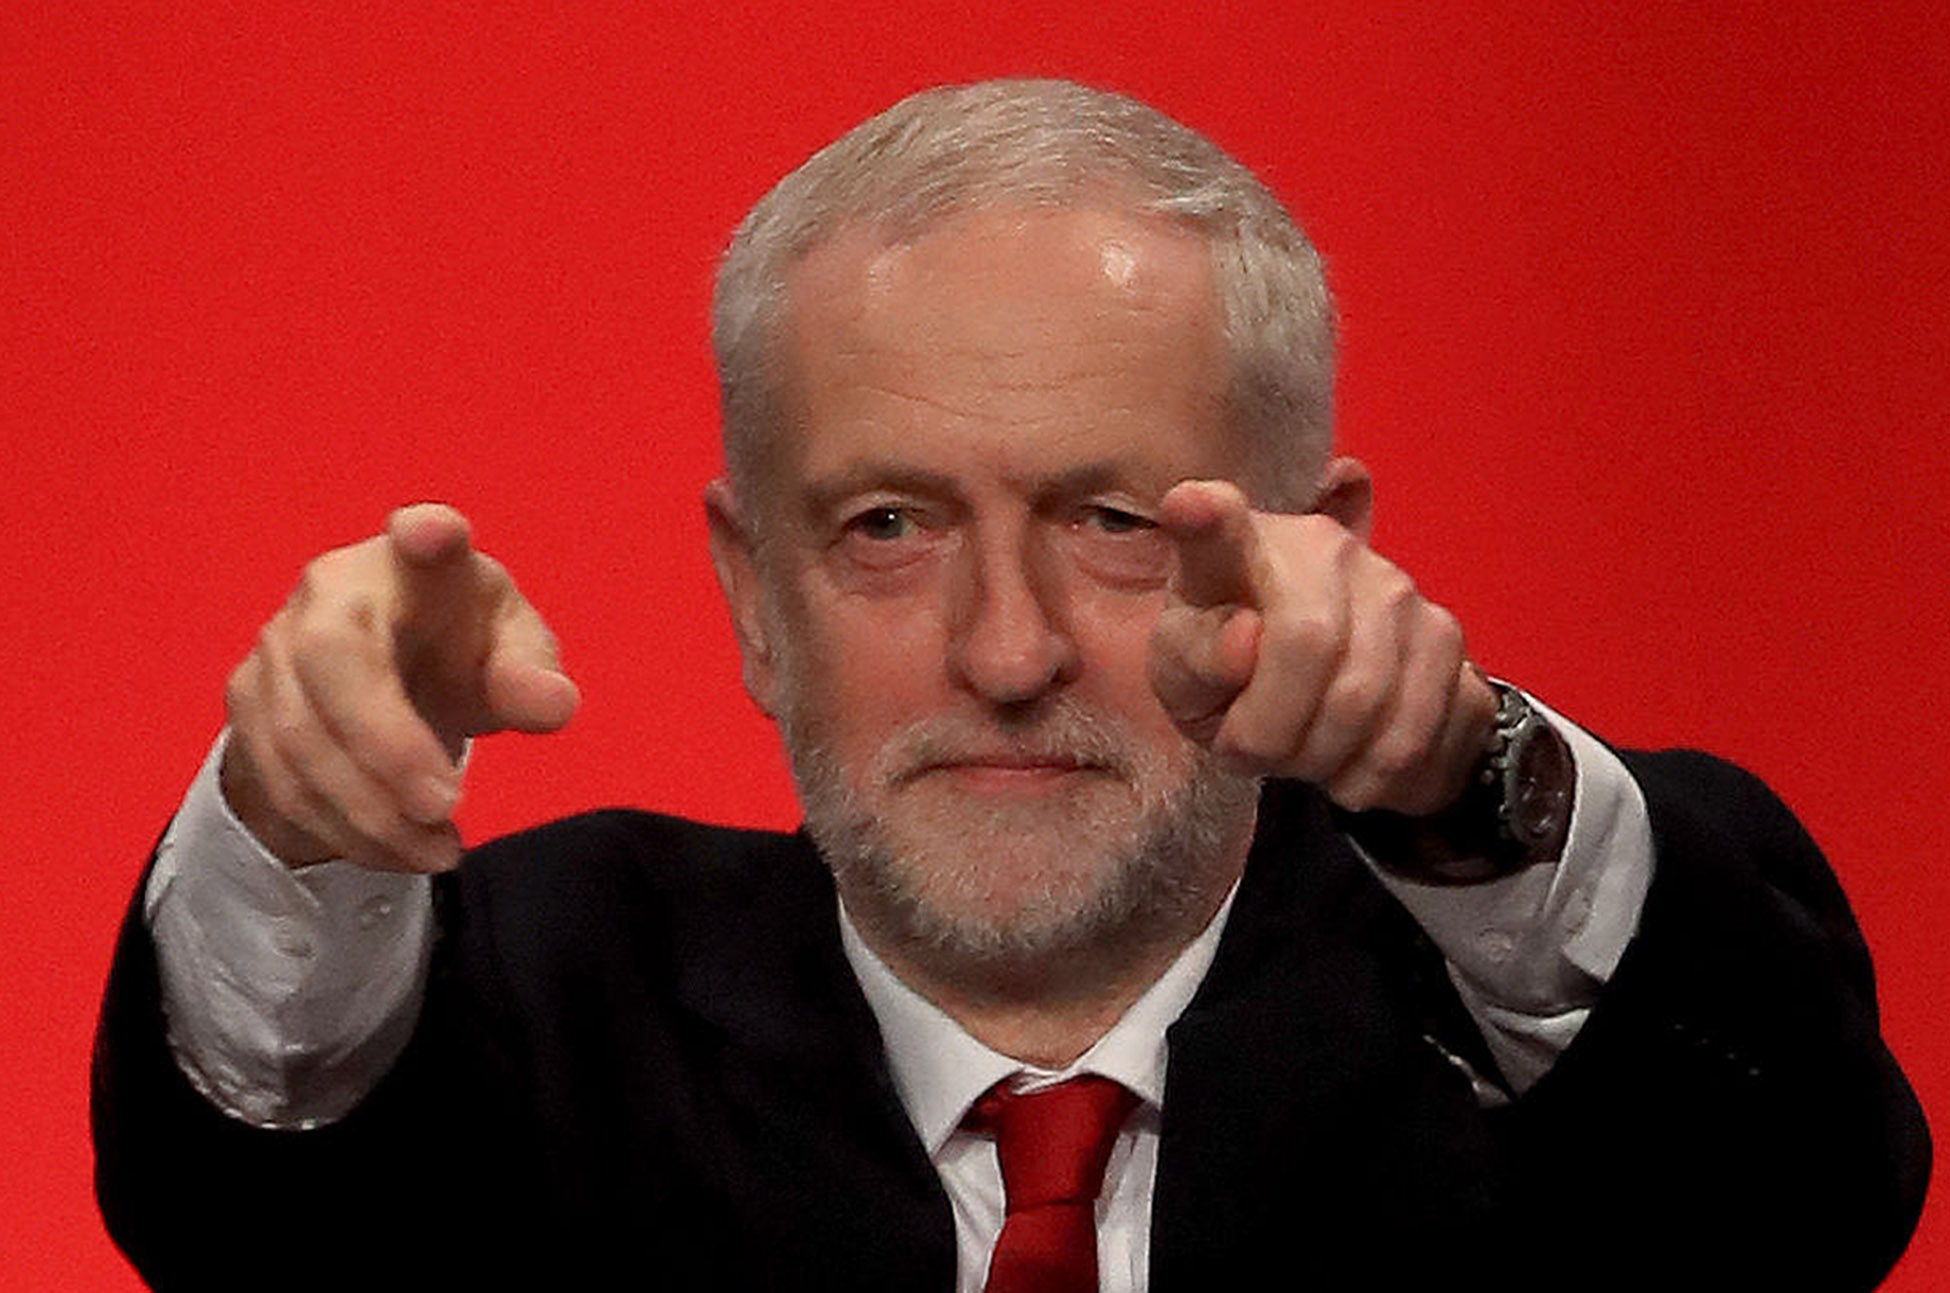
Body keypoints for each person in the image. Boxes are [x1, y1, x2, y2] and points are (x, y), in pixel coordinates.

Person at [93, 79, 1927, 1291]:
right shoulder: (539, 1000)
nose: (1004, 647)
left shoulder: (1532, 990)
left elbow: (1803, 1193)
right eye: (887, 524)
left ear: (1324, 544)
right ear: (753, 589)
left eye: (1115, 520)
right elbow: (252, 1209)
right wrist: (295, 813)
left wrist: (1466, 775)